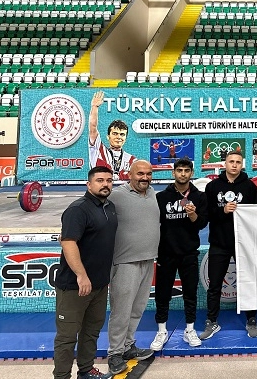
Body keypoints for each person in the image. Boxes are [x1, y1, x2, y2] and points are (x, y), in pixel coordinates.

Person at [52, 166, 117, 379]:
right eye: (100, 180)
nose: (105, 184)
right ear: (89, 184)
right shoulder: (78, 209)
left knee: (91, 331)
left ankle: (86, 370)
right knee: (67, 337)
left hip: (99, 285)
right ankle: (62, 376)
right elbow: (68, 242)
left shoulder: (109, 207)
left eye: (109, 180)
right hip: (75, 286)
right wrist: (81, 275)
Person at [106, 160, 160, 375]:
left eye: (148, 174)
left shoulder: (153, 193)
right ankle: (114, 353)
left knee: (137, 309)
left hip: (148, 259)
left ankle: (128, 346)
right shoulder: (117, 195)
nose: (144, 178)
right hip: (125, 262)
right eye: (140, 174)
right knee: (121, 311)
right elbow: (93, 209)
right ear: (129, 174)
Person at [201, 149, 257, 339]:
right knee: (215, 285)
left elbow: (256, 215)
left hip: (243, 243)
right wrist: (224, 211)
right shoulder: (212, 187)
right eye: (231, 161)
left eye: (238, 162)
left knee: (248, 282)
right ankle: (212, 321)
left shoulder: (250, 187)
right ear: (225, 164)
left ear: (242, 165)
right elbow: (207, 215)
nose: (234, 165)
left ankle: (251, 319)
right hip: (219, 243)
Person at [150, 158, 208, 351]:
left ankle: (189, 329)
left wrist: (192, 215)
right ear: (173, 172)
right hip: (165, 254)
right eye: (179, 170)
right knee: (162, 294)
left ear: (192, 173)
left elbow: (201, 224)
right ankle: (162, 331)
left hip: (189, 253)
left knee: (190, 294)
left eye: (186, 170)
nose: (183, 174)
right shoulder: (161, 197)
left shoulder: (199, 196)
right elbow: (153, 224)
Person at [89, 91, 136, 181]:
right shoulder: (97, 150)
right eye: (115, 133)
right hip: (100, 190)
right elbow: (93, 127)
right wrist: (94, 107)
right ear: (108, 136)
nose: (118, 137)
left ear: (125, 138)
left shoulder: (132, 160)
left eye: (122, 134)